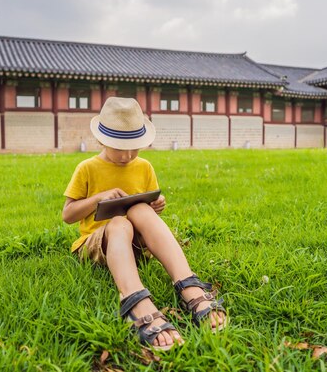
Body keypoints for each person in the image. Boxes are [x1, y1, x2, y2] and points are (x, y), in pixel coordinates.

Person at [62, 96, 227, 351]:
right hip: (97, 245)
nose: (128, 155)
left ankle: (188, 284)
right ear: (101, 140)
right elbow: (68, 215)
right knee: (119, 223)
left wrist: (156, 207)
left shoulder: (144, 167)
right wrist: (97, 199)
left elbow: (148, 214)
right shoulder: (87, 168)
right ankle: (134, 299)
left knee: (139, 209)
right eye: (119, 147)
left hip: (135, 245)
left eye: (135, 147)